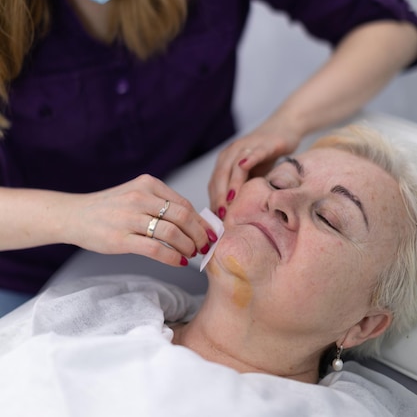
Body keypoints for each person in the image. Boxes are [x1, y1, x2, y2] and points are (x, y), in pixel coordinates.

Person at [1, 0, 417, 315]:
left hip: (199, 245)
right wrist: (74, 217)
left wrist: (288, 122)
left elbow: (390, 29)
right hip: (23, 269)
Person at [0, 124, 416, 417]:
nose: (281, 202)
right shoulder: (94, 311)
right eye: (279, 180)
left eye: (330, 218)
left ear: (362, 325)